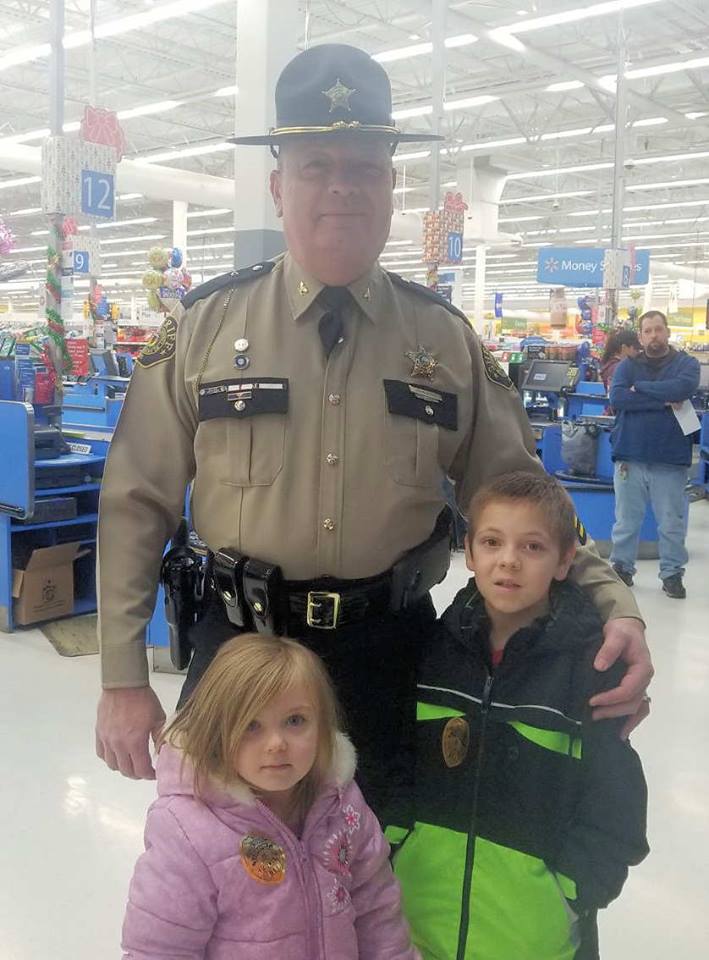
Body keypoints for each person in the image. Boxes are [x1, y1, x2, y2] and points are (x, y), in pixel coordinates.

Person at [95, 43, 652, 824]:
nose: (340, 187)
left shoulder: (444, 340)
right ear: (277, 186)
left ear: (391, 186)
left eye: (362, 167)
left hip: (392, 658)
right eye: (315, 166)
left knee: (386, 871)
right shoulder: (203, 328)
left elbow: (525, 501)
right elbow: (134, 502)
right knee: (226, 869)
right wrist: (122, 676)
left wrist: (613, 602)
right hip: (240, 656)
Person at [393, 472, 648, 960]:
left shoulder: (589, 671)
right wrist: (396, 843)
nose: (508, 560)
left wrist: (571, 894)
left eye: (532, 547)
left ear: (566, 561)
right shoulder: (432, 651)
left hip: (535, 938)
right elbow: (396, 761)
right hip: (420, 929)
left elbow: (615, 802)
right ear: (469, 552)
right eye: (492, 542)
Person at [122, 633, 418, 960]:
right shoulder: (189, 831)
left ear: (322, 726)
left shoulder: (342, 806)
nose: (276, 743)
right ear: (216, 733)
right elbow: (158, 949)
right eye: (251, 725)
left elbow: (377, 912)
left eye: (295, 721)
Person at [609, 309, 700, 598]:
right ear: (640, 336)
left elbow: (684, 387)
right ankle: (622, 568)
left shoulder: (687, 364)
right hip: (629, 454)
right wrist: (663, 401)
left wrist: (641, 388)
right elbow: (618, 397)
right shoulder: (627, 365)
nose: (653, 336)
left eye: (658, 329)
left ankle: (672, 574)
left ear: (667, 332)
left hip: (670, 458)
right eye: (647, 331)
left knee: (672, 523)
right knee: (626, 520)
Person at [600, 328, 641, 393]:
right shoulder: (619, 368)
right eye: (636, 349)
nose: (638, 352)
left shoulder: (611, 365)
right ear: (624, 348)